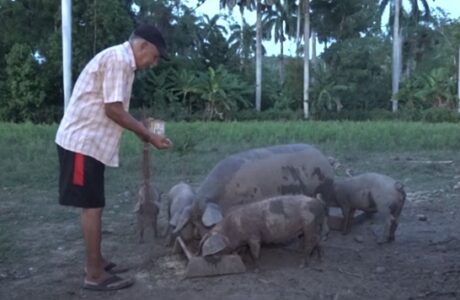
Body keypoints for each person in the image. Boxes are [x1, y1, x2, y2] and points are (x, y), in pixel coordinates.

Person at [55, 24, 172, 291]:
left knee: (95, 203)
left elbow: (113, 108)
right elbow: (114, 110)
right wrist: (148, 136)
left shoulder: (122, 63)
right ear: (142, 46)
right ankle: (94, 274)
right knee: (92, 206)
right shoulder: (119, 61)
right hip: (82, 143)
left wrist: (146, 133)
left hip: (90, 145)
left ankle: (97, 261)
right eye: (154, 56)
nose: (154, 64)